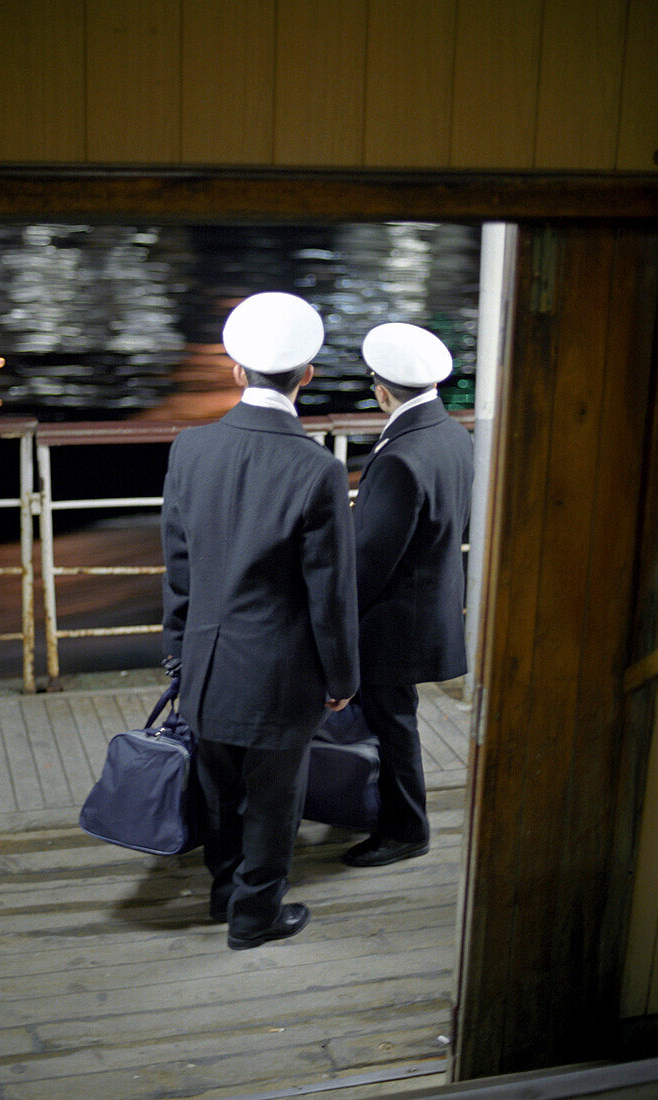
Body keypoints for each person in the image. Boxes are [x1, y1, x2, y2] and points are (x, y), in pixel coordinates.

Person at [161, 291, 359, 949]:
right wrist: (341, 676)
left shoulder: (189, 450)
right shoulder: (316, 469)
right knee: (274, 799)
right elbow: (327, 594)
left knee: (217, 791)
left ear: (236, 370)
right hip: (280, 669)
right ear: (307, 375)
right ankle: (255, 916)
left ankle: (224, 896)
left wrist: (177, 657)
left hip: (206, 663)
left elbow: (179, 570)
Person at [341, 322, 473, 868]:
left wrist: (333, 617)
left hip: (392, 621)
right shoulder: (453, 435)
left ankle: (404, 830)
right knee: (398, 719)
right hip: (432, 604)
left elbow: (370, 559)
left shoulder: (400, 455)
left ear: (381, 388)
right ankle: (398, 819)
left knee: (392, 725)